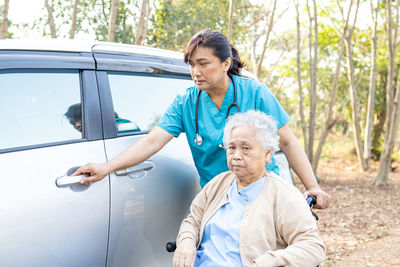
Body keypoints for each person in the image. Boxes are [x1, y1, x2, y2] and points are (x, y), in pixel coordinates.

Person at [74, 30, 331, 209]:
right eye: (191, 64)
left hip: (263, 190)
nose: (195, 72)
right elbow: (152, 141)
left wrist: (313, 187)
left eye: (203, 63)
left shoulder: (254, 92)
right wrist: (106, 167)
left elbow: (287, 142)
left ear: (225, 63)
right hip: (219, 196)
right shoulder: (186, 102)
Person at [173, 110, 325, 267]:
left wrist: (267, 263)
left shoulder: (284, 195)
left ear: (267, 154)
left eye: (245, 148)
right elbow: (193, 221)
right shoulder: (218, 184)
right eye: (231, 148)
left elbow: (313, 247)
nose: (236, 155)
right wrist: (186, 239)